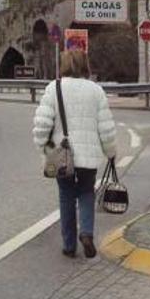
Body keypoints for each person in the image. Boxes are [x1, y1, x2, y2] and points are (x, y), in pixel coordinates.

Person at [33, 50, 116, 258]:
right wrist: (111, 152)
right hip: (88, 155)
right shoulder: (96, 91)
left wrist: (42, 146)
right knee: (87, 192)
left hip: (62, 155)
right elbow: (106, 127)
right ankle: (86, 233)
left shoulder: (55, 87)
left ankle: (69, 245)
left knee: (66, 196)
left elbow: (43, 123)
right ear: (84, 65)